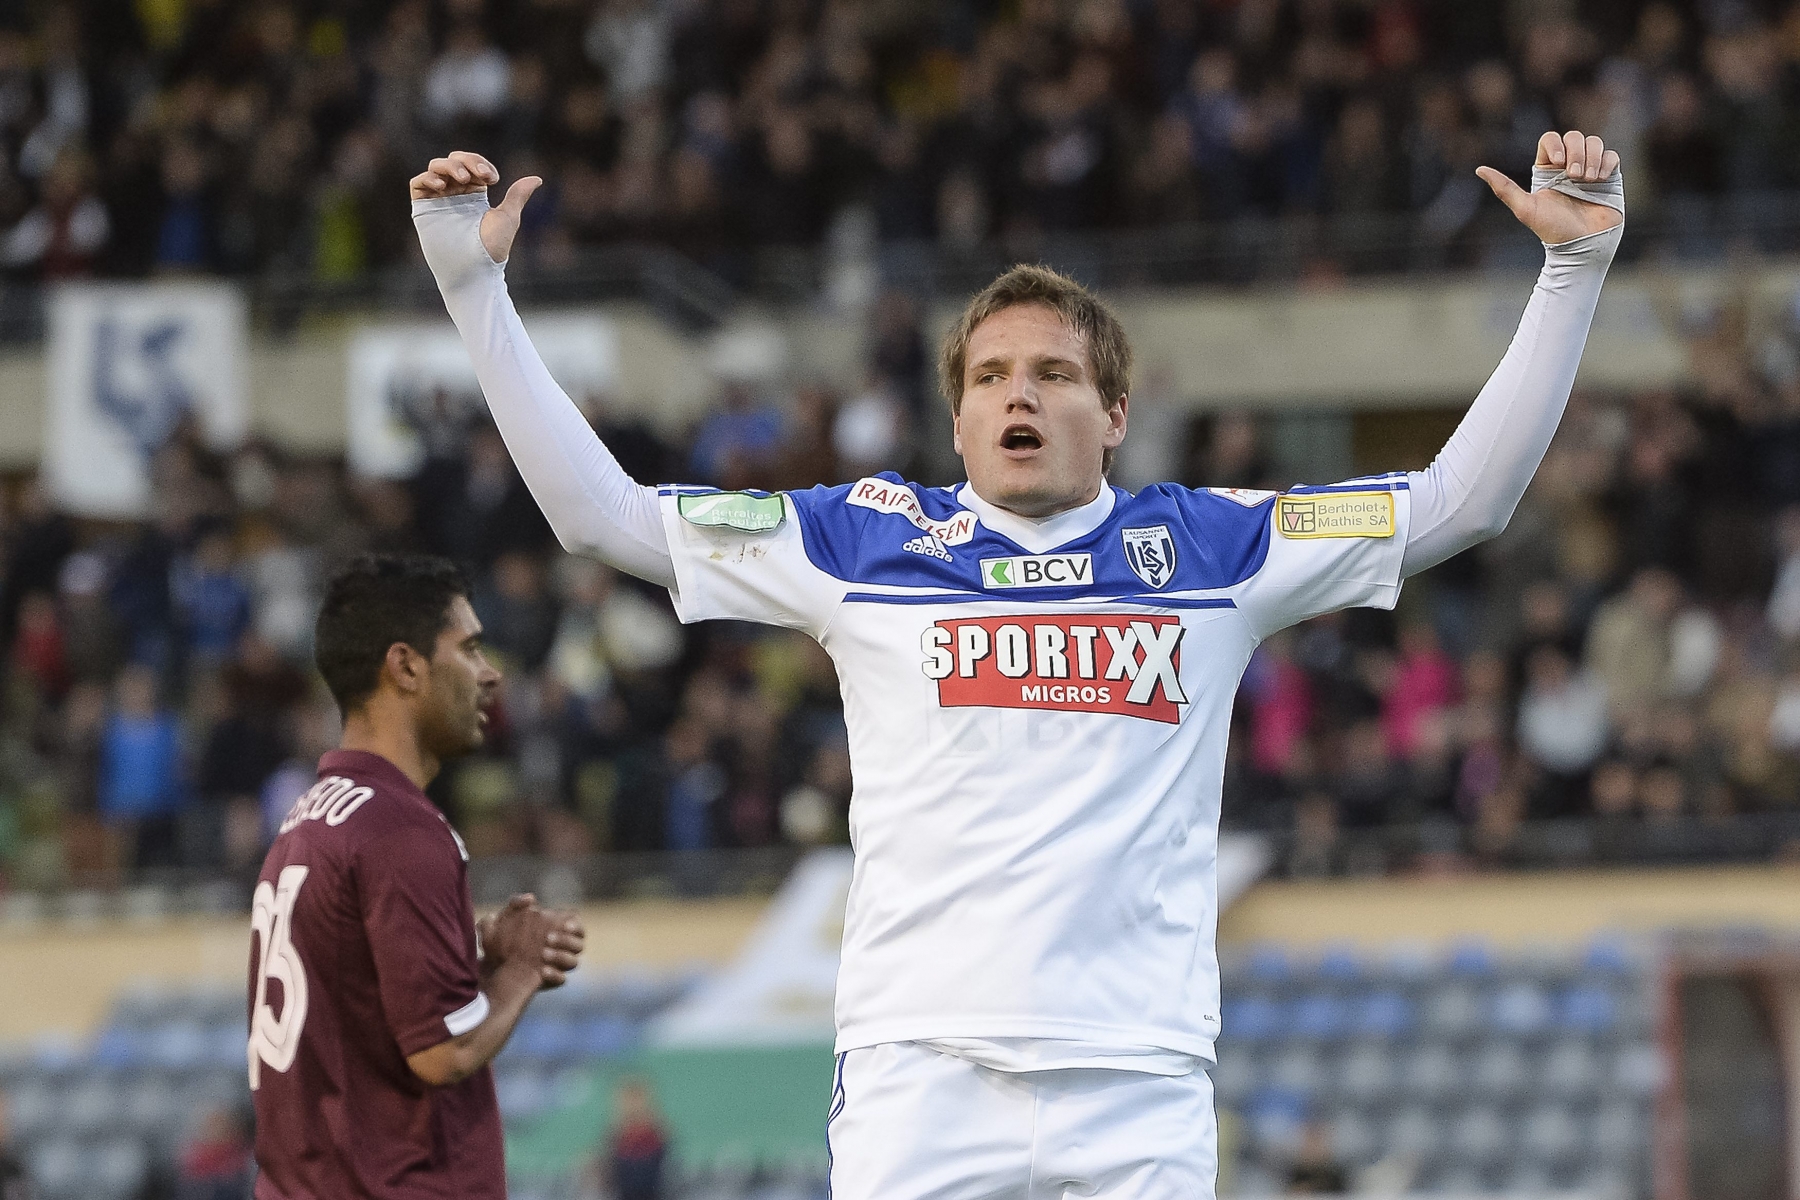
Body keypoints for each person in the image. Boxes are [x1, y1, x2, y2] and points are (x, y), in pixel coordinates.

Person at [411, 128, 1625, 1197]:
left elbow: (1459, 503)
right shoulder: (861, 541)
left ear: (1116, 413)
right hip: (917, 1073)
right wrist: (476, 291)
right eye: (990, 377)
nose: (1018, 396)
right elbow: (604, 518)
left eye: (1053, 373)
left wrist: (1571, 272)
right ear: (957, 423)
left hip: (1138, 1079)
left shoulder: (1217, 546)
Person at [248, 553, 586, 1199]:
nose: (490, 674)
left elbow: (373, 1030)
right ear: (405, 665)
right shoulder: (397, 829)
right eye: (470, 648)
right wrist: (522, 970)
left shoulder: (309, 819)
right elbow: (442, 1052)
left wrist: (479, 975)